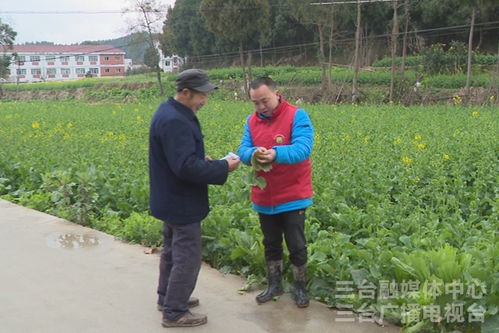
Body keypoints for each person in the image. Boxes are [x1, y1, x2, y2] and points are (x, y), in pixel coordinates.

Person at [149, 69, 240, 327]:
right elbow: (185, 168)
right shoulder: (175, 120)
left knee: (171, 251)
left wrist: (203, 161)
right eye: (202, 95)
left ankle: (167, 297)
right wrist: (224, 167)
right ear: (186, 92)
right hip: (181, 202)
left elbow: (180, 160)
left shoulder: (169, 112)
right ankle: (175, 312)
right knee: (187, 256)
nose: (204, 101)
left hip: (169, 198)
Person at [237, 77, 314, 308]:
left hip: (292, 195)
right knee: (270, 243)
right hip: (264, 197)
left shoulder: (297, 115)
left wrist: (275, 154)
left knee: (296, 244)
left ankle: (300, 287)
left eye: (264, 101)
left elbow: (303, 148)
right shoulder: (251, 121)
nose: (261, 107)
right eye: (255, 103)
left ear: (277, 93)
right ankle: (274, 284)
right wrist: (253, 153)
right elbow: (242, 149)